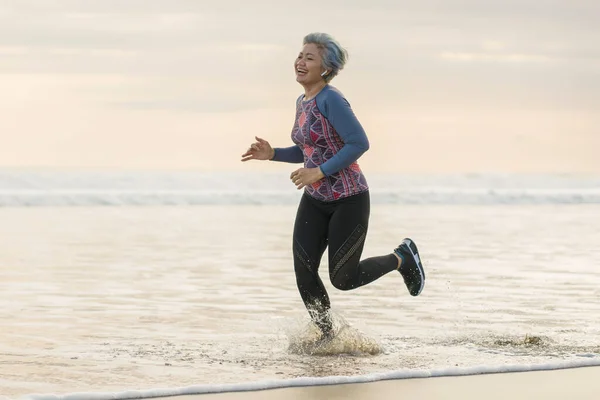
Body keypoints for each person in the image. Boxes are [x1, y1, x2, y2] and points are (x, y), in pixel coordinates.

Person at [241, 32, 425, 339]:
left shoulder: (332, 99)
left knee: (343, 278)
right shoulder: (303, 102)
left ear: (326, 69)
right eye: (300, 55)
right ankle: (328, 337)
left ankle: (402, 258)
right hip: (315, 199)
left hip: (348, 199)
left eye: (309, 58)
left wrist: (319, 172)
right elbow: (308, 149)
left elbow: (359, 143)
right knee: (304, 271)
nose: (300, 62)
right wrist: (273, 154)